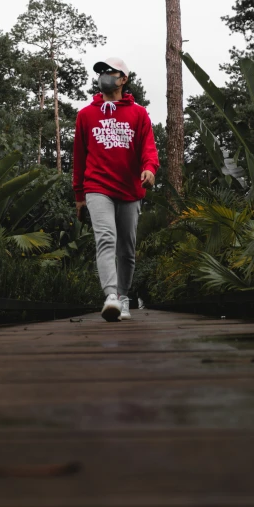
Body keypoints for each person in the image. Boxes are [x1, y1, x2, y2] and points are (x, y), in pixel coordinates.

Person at [73, 57, 159, 322]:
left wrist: (150, 169)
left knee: (127, 250)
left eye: (111, 72)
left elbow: (148, 148)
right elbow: (79, 157)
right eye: (101, 72)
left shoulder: (138, 114)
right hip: (97, 187)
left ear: (123, 79)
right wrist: (79, 195)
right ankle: (110, 295)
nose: (105, 76)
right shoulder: (86, 115)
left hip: (130, 189)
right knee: (106, 238)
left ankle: (123, 297)